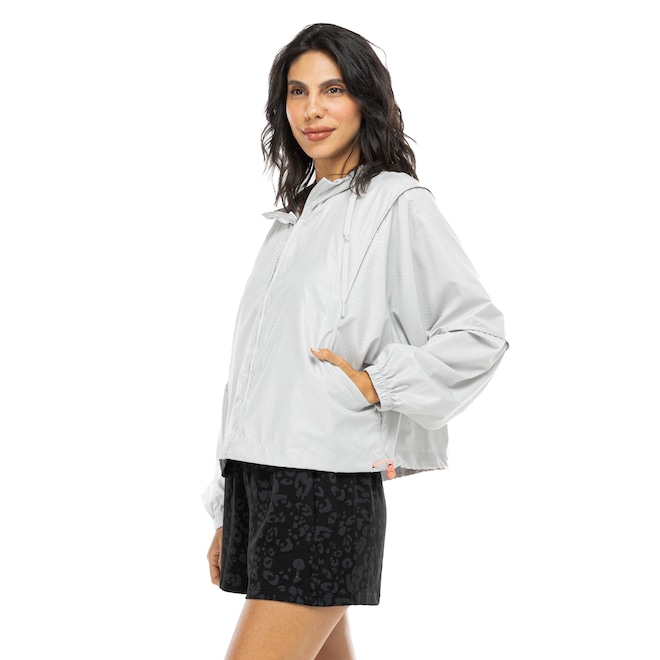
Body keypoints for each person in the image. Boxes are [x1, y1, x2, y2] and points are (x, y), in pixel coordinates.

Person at [203, 23, 508, 659]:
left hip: (324, 490)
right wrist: (230, 504)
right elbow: (257, 376)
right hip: (265, 482)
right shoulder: (293, 221)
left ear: (366, 99)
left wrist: (377, 383)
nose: (311, 109)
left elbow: (478, 332)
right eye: (297, 92)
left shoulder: (397, 202)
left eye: (333, 89)